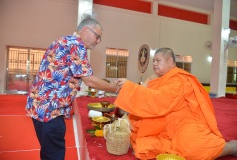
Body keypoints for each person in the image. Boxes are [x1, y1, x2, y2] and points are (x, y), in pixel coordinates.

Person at [114, 48, 237, 160]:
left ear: (169, 61)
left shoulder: (178, 79)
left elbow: (160, 100)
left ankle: (230, 147)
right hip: (163, 120)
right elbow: (147, 96)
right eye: (153, 61)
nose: (154, 63)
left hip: (183, 121)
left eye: (158, 60)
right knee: (139, 135)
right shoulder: (157, 78)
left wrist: (130, 87)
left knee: (193, 148)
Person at [25, 18, 119, 160]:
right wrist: (114, 87)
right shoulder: (76, 45)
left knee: (47, 151)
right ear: (85, 30)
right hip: (51, 111)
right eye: (97, 36)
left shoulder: (63, 40)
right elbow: (89, 80)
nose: (98, 41)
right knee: (53, 155)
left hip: (39, 107)